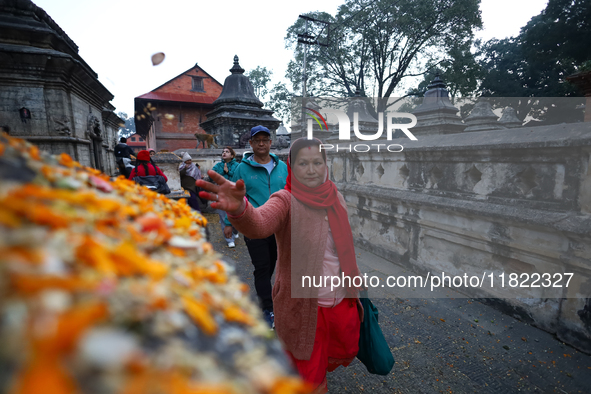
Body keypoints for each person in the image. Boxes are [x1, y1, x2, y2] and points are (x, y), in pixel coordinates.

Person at [197, 137, 363, 393]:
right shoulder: (286, 200)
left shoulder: (335, 196)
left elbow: (342, 249)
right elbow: (260, 223)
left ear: (326, 165)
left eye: (317, 162)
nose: (311, 169)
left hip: (341, 300)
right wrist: (240, 208)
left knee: (329, 358)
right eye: (303, 163)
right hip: (305, 306)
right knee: (308, 378)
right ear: (291, 167)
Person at [223, 125, 288, 327]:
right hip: (254, 225)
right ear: (250, 143)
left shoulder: (282, 167)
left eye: (265, 139)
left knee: (277, 266)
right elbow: (234, 197)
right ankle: (267, 310)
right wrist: (228, 223)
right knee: (262, 268)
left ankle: (273, 299)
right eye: (257, 140)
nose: (261, 143)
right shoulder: (242, 168)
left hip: (279, 226)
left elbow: (291, 193)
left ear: (271, 142)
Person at [212, 147, 240, 248]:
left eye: (227, 152)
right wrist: (223, 172)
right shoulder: (218, 165)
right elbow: (212, 175)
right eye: (223, 152)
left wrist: (229, 172)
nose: (224, 153)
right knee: (223, 216)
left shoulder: (237, 166)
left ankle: (235, 230)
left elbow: (238, 178)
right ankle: (229, 239)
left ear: (232, 155)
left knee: (235, 216)